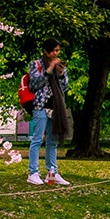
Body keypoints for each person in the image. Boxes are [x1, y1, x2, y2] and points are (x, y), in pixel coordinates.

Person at [24, 45, 71, 186]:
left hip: (56, 107)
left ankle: (52, 173)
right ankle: (33, 173)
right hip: (40, 106)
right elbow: (34, 85)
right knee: (37, 139)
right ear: (46, 51)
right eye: (53, 50)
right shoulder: (36, 64)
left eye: (58, 51)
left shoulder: (59, 65)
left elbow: (65, 87)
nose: (56, 53)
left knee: (52, 141)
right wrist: (49, 70)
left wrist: (62, 74)